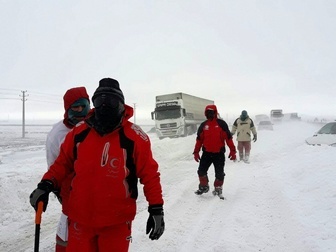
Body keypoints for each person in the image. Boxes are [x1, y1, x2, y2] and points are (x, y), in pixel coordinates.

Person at [30, 78, 164, 252]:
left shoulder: (135, 137)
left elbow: (150, 175)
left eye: (111, 101)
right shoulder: (79, 133)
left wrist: (156, 208)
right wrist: (45, 184)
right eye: (99, 101)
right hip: (80, 220)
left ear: (121, 104)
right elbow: (61, 164)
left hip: (116, 222)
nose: (104, 106)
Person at [46, 86, 90, 252]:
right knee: (66, 235)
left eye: (82, 105)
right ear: (67, 109)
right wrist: (55, 188)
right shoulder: (57, 134)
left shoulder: (97, 125)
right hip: (69, 193)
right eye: (74, 107)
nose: (79, 111)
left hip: (95, 192)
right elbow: (53, 164)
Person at [193, 104, 237, 196]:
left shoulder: (221, 124)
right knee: (201, 171)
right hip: (207, 153)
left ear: (215, 112)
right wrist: (196, 152)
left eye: (211, 112)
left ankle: (218, 188)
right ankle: (204, 186)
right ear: (205, 113)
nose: (209, 114)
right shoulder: (203, 125)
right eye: (207, 112)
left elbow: (228, 138)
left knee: (219, 173)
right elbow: (199, 140)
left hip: (219, 154)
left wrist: (232, 151)